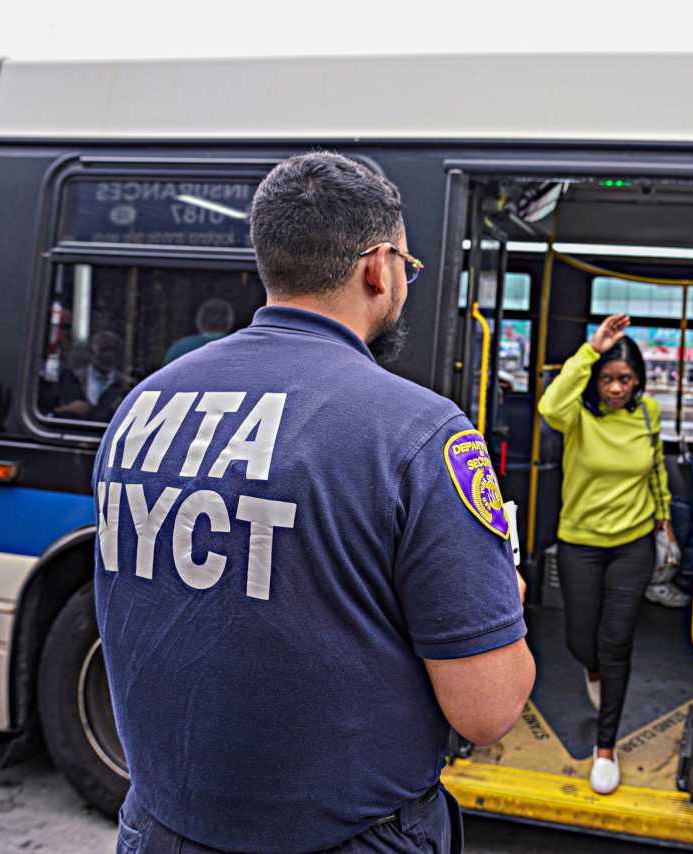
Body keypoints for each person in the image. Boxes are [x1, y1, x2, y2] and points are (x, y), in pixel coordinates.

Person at [94, 151, 534, 854]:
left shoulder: (144, 405)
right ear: (378, 267)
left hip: (158, 830)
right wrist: (500, 595)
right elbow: (488, 710)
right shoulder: (421, 432)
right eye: (408, 267)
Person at [537, 314, 680, 795]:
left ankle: (605, 748)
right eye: (608, 379)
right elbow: (549, 404)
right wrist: (591, 351)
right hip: (580, 543)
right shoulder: (576, 415)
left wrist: (664, 517)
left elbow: (655, 468)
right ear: (596, 380)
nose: (617, 388)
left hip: (632, 545)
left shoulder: (648, 413)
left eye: (626, 379)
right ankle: (593, 667)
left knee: (617, 640)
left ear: (638, 380)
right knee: (582, 640)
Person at [162, 297, 235, 364]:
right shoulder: (236, 347)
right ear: (228, 321)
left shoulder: (179, 348)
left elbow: (165, 372)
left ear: (200, 320)